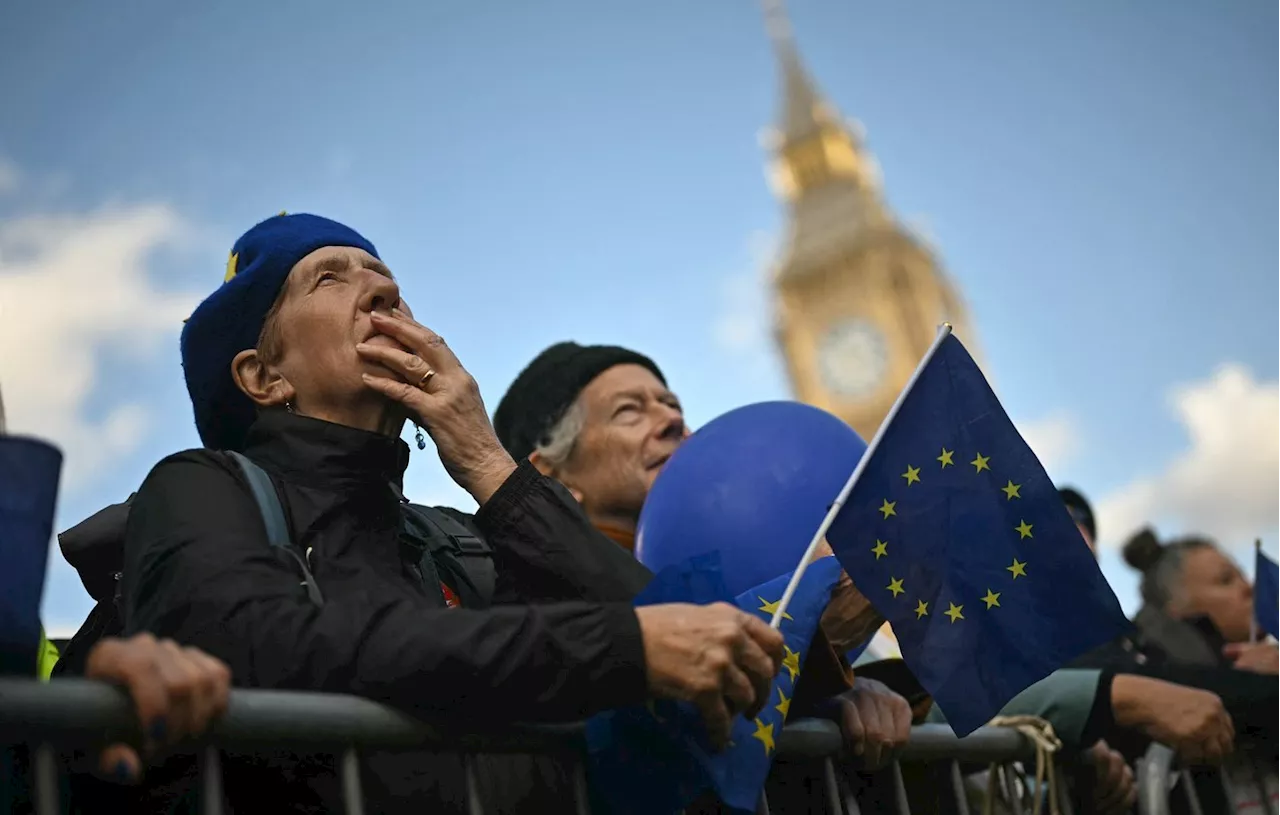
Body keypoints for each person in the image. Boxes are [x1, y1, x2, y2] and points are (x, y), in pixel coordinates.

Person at [119, 213, 784, 814]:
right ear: (265, 378)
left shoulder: (455, 537)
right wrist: (618, 649)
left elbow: (677, 638)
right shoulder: (201, 487)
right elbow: (257, 642)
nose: (382, 293)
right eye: (329, 278)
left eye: (386, 280)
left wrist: (487, 462)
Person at [493, 341, 918, 811]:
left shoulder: (740, 574)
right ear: (551, 478)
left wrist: (840, 693)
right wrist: (813, 654)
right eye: (630, 412)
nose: (675, 421)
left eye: (672, 404)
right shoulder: (531, 598)